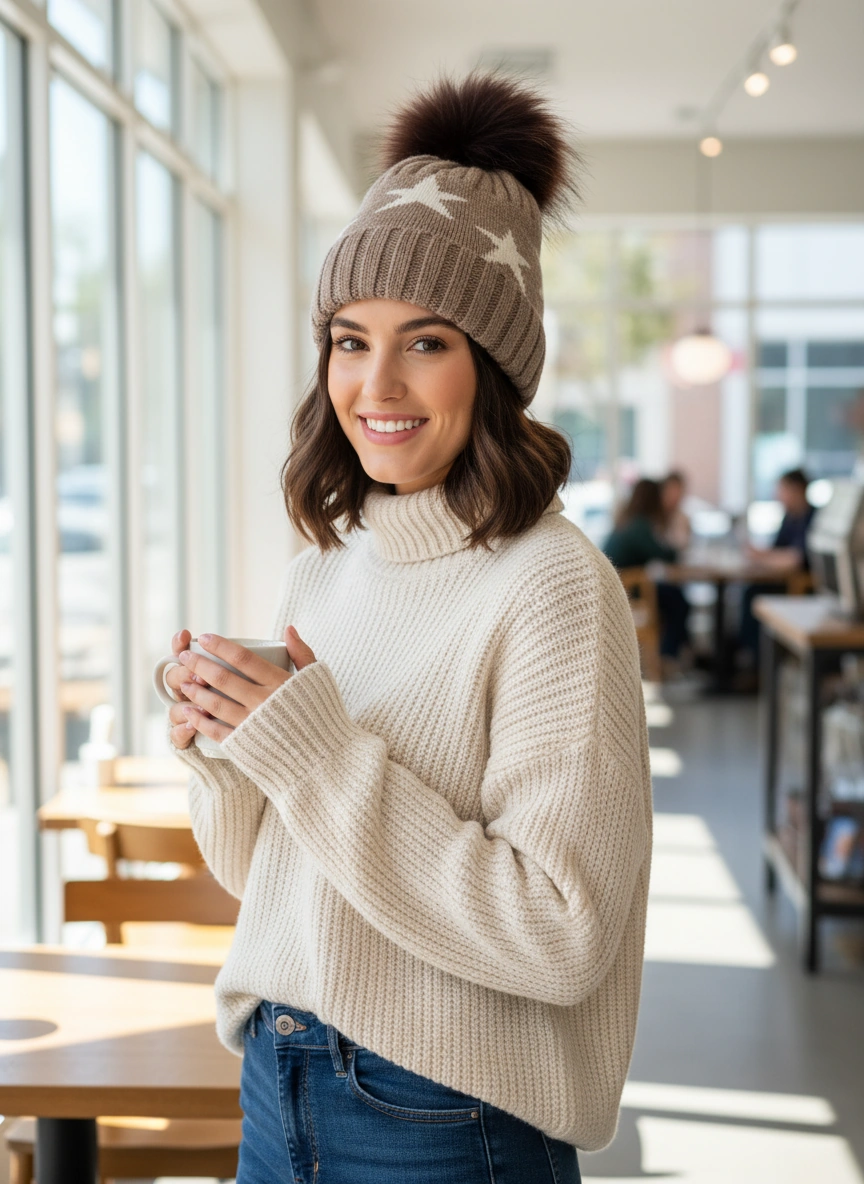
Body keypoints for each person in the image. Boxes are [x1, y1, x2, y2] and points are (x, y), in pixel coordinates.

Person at [161, 75, 651, 1184]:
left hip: (438, 1115)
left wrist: (318, 750)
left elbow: (562, 932)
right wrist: (227, 752)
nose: (373, 382)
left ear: (495, 366)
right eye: (348, 338)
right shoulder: (329, 562)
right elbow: (274, 876)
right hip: (277, 1075)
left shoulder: (554, 587)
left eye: (424, 341)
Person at [603, 478, 690, 660]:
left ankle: (675, 655)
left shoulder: (626, 520)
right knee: (679, 601)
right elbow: (665, 555)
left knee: (673, 596)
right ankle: (668, 657)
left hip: (617, 589)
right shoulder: (639, 526)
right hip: (630, 592)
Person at [739, 468, 816, 664]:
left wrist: (761, 558)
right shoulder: (790, 517)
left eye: (781, 489)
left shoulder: (812, 518)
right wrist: (759, 555)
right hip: (783, 582)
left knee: (752, 596)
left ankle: (758, 665)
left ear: (797, 490)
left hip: (801, 588)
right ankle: (750, 663)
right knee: (747, 592)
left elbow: (795, 559)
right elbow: (777, 551)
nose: (777, 495)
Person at [660, 470, 692, 551]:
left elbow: (684, 547)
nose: (675, 496)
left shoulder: (684, 519)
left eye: (678, 490)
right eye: (671, 490)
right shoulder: (653, 516)